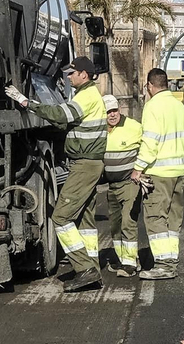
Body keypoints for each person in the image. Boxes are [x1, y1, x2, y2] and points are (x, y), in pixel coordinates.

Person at [7, 56, 108, 292]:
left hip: (85, 164)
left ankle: (85, 269)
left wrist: (26, 102)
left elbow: (60, 116)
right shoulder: (90, 95)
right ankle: (91, 268)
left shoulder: (86, 96)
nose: (69, 77)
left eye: (72, 73)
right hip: (89, 164)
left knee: (61, 217)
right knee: (84, 219)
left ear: (84, 74)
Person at [131, 67, 184, 280]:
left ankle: (164, 265)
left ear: (149, 86)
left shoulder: (153, 106)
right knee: (173, 221)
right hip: (178, 172)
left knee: (156, 217)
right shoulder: (179, 106)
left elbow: (151, 141)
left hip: (159, 173)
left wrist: (138, 168)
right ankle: (171, 259)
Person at [100, 93, 144, 276]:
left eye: (115, 110)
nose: (112, 115)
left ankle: (130, 263)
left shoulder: (134, 127)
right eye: (108, 111)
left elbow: (148, 147)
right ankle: (120, 259)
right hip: (112, 186)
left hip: (130, 183)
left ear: (120, 110)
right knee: (115, 225)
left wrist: (141, 170)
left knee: (128, 220)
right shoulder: (101, 131)